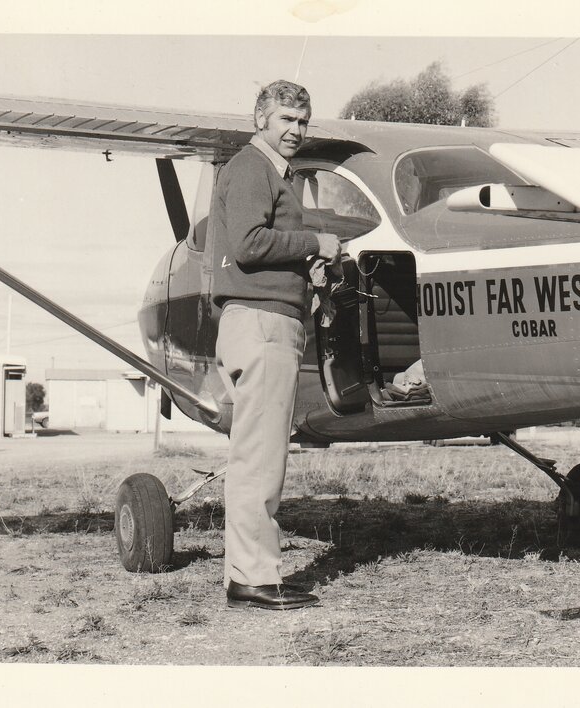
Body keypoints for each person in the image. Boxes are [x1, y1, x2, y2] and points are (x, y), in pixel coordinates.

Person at [209, 79, 341, 610]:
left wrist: (305, 265)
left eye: (302, 121)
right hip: (263, 324)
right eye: (286, 119)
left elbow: (259, 245)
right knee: (260, 458)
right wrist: (315, 242)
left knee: (258, 455)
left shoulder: (269, 172)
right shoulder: (252, 168)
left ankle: (250, 574)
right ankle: (253, 578)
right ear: (260, 119)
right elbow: (248, 243)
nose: (296, 130)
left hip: (265, 322)